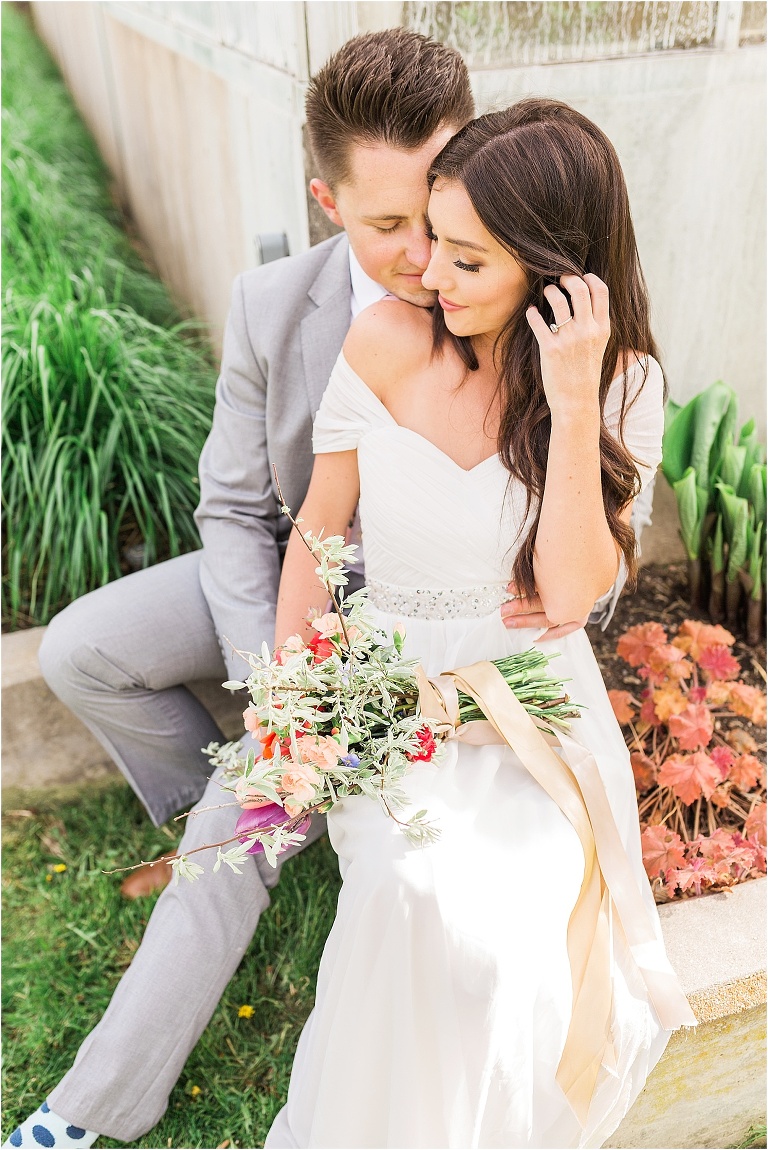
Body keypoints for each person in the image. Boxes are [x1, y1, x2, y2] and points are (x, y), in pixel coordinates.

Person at [6, 33, 634, 1150]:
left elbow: (571, 568)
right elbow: (244, 515)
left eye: (441, 216)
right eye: (389, 226)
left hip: (438, 617)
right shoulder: (273, 302)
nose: (418, 256)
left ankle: (89, 1105)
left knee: (228, 844)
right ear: (326, 200)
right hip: (299, 580)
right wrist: (282, 695)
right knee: (85, 654)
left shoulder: (540, 324)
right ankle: (234, 801)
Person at [263, 98, 696, 1149]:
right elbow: (316, 535)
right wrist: (287, 709)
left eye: (468, 260)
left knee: (501, 948)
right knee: (417, 897)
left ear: (554, 270)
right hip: (397, 698)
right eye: (432, 244)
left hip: (535, 722)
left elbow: (568, 594)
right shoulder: (384, 341)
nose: (428, 276)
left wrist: (574, 398)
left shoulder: (619, 382)